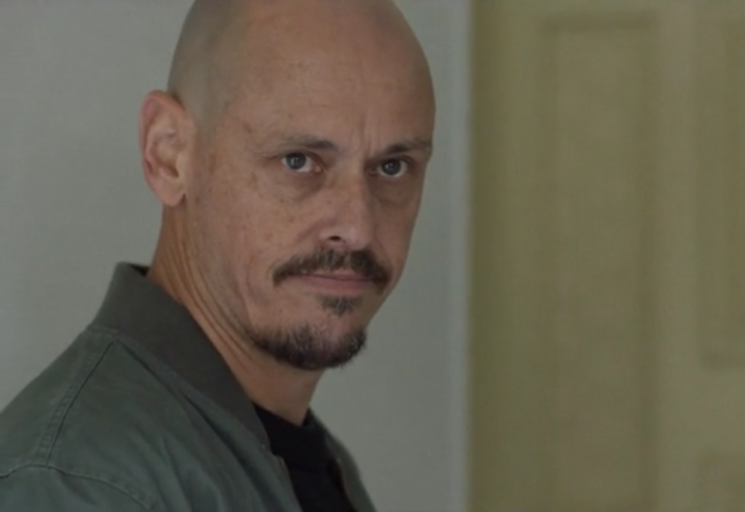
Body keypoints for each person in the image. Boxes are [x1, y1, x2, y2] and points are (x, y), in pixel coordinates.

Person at [0, 0, 435, 510]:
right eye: (298, 161)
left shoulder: (312, 462)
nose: (357, 228)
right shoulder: (83, 482)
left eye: (392, 167)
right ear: (168, 155)